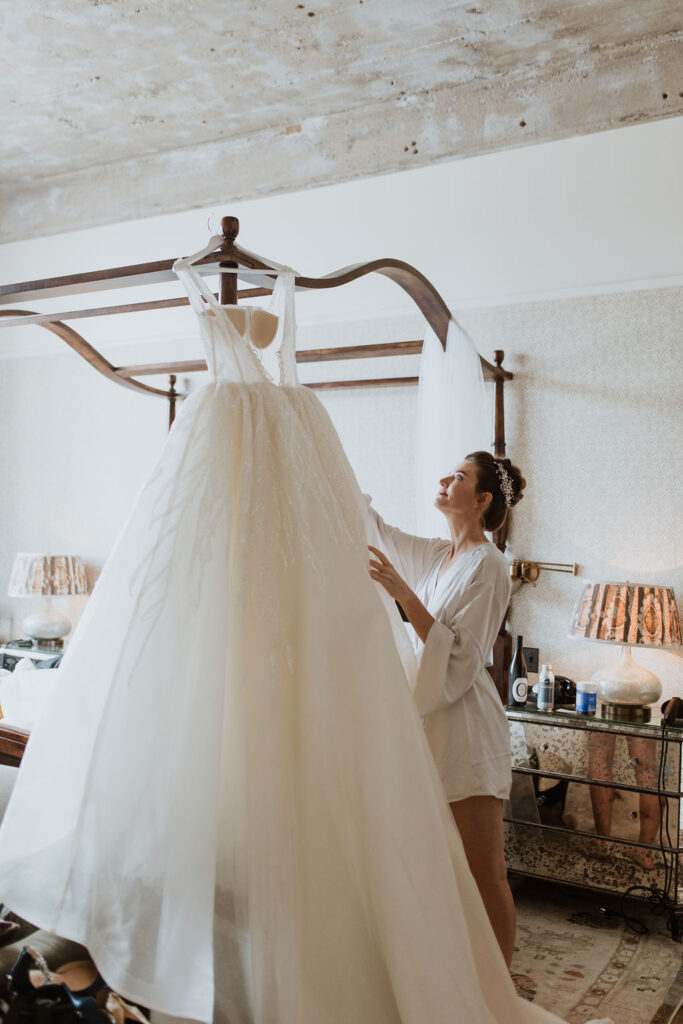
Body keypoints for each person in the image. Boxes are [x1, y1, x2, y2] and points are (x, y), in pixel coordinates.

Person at [367, 450, 525, 965]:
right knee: (433, 864)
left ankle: (499, 986)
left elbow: (459, 656)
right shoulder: (440, 556)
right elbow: (379, 533)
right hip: (428, 724)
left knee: (485, 871)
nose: (443, 479)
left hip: (467, 729)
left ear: (481, 500)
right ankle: (453, 969)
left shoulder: (492, 565)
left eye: (458, 477)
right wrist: (330, 469)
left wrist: (401, 593)